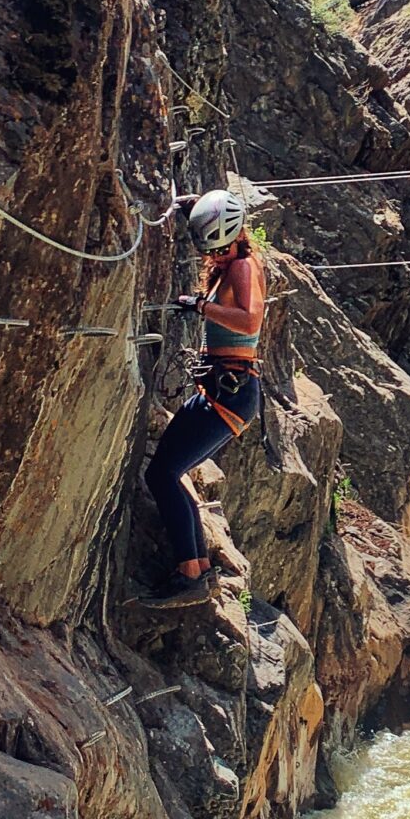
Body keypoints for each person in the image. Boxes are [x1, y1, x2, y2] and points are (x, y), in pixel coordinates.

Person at [138, 189, 267, 605]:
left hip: (231, 394)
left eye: (223, 246)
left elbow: (249, 320)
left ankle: (190, 572)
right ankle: (199, 570)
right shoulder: (230, 261)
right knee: (168, 473)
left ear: (235, 238)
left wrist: (199, 306)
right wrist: (194, 206)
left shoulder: (245, 266)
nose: (220, 255)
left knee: (161, 475)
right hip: (221, 391)